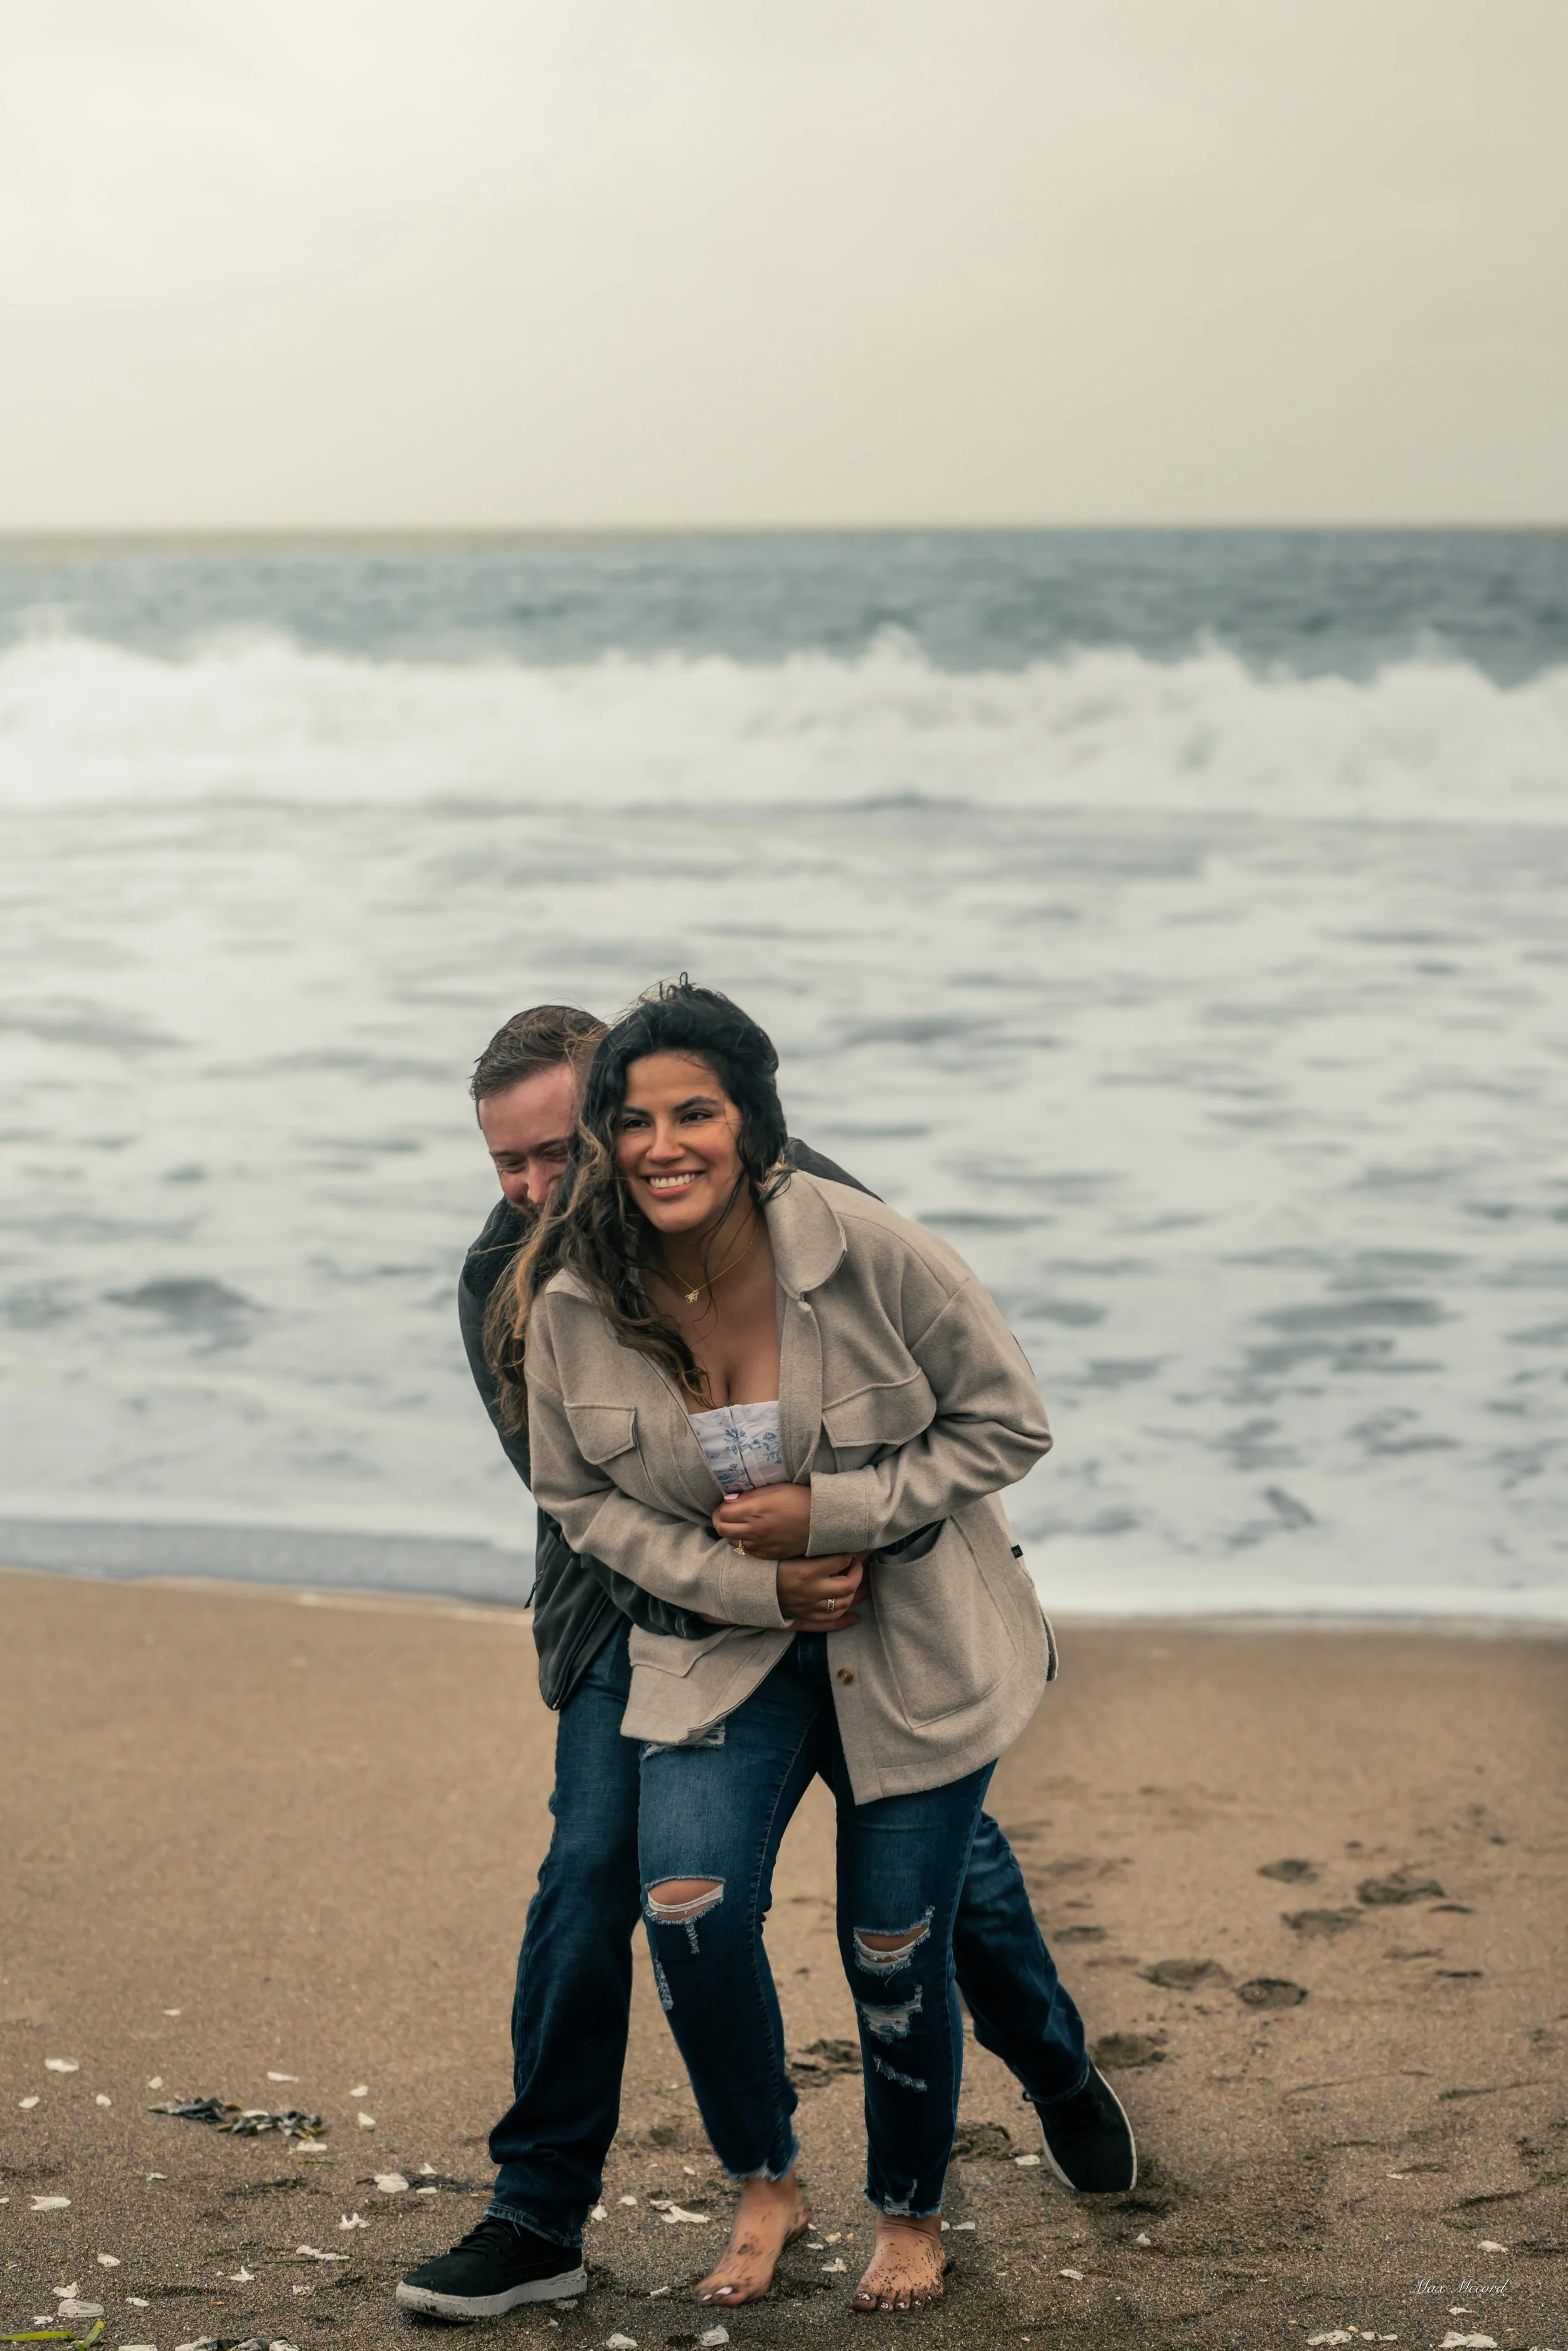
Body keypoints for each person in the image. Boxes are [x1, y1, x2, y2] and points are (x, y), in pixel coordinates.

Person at [396, 1000, 1133, 2327]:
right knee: (593, 1877)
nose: (532, 1185)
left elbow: (937, 1406)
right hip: (643, 1609)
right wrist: (750, 1581)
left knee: (945, 1879)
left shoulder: (801, 1203)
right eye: (505, 1160)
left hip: (867, 1594)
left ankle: (1060, 2073)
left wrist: (831, 1542)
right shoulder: (509, 1279)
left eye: (561, 1146)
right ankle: (537, 2210)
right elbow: (578, 1497)